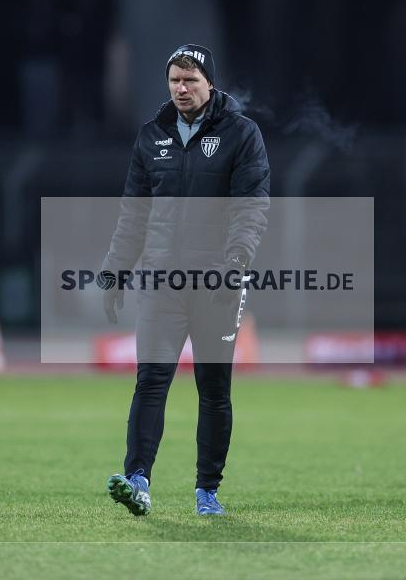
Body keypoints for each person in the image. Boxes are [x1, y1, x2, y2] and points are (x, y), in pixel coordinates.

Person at [101, 44, 270, 516]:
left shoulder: (242, 134)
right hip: (161, 281)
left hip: (218, 282)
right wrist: (116, 270)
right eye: (174, 79)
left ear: (210, 83)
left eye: (190, 79)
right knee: (151, 381)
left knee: (214, 389)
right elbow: (133, 215)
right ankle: (137, 481)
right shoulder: (151, 135)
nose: (181, 87)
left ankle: (207, 491)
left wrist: (236, 261)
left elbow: (251, 206)